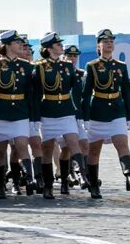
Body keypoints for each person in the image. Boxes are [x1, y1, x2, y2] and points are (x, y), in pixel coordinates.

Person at [81, 29, 130, 198]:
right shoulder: (91, 66)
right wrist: (85, 118)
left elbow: (127, 92)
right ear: (98, 45)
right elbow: (85, 93)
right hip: (98, 110)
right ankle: (93, 185)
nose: (109, 44)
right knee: (94, 151)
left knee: (122, 142)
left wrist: (129, 116)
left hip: (116, 110)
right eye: (105, 41)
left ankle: (129, 176)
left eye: (111, 41)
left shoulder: (121, 66)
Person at [33, 32, 89, 198]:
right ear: (49, 49)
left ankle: (82, 176)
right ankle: (49, 185)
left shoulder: (67, 66)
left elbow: (76, 92)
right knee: (47, 149)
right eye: (57, 45)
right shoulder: (40, 67)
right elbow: (36, 95)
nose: (61, 47)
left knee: (73, 142)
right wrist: (35, 118)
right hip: (48, 111)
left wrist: (79, 114)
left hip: (66, 109)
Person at [0, 30, 37, 198]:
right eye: (16, 43)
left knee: (21, 145)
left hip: (20, 112)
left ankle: (26, 180)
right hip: (1, 111)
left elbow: (30, 93)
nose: (20, 45)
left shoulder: (26, 66)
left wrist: (33, 117)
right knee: (0, 151)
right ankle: (0, 184)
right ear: (7, 45)